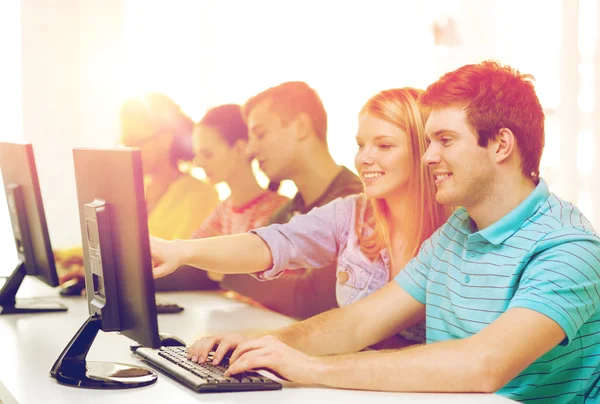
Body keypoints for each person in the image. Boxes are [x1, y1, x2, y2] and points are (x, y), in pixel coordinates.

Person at [175, 61, 598, 402]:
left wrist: (314, 369)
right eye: (428, 141)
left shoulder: (567, 248)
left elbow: (484, 364)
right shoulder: (457, 232)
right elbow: (360, 322)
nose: (428, 156)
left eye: (445, 140)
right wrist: (264, 345)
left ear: (501, 145)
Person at [150, 87, 451, 345]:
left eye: (384, 145)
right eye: (361, 145)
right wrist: (178, 250)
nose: (364, 158)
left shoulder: (455, 231)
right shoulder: (352, 212)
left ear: (424, 151)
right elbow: (274, 243)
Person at [216, 81, 364, 318]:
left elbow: (312, 299)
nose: (251, 150)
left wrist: (224, 271)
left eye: (260, 134)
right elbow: (250, 259)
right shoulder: (289, 210)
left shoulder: (355, 205)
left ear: (301, 127)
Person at [56, 93, 219, 291]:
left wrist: (106, 277)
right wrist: (60, 256)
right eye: (125, 143)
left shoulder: (199, 195)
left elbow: (174, 264)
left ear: (166, 139)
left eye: (136, 142)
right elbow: (114, 248)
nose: (128, 150)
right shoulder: (138, 192)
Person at [190, 104, 289, 279]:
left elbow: (253, 275)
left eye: (207, 154)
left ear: (240, 149)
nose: (198, 163)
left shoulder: (276, 210)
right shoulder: (223, 209)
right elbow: (191, 252)